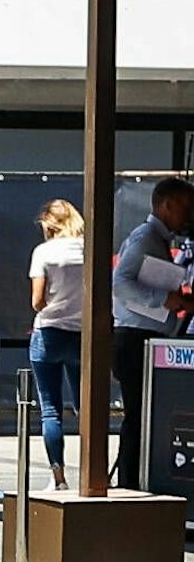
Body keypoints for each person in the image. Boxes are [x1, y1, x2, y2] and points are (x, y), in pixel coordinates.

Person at [112, 177, 194, 490]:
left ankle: (139, 482)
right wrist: (164, 299)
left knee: (147, 417)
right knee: (138, 416)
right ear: (166, 205)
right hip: (135, 339)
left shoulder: (159, 241)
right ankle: (129, 485)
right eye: (185, 208)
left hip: (147, 337)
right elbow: (120, 284)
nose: (188, 216)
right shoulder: (144, 237)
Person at [26, 199, 86, 491]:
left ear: (50, 224)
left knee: (50, 410)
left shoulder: (44, 253)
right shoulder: (89, 248)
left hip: (49, 332)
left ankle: (58, 477)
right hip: (81, 334)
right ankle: (92, 472)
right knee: (84, 407)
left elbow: (37, 301)